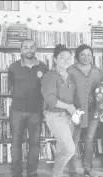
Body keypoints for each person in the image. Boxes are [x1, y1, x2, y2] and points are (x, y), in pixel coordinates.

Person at [8, 39, 49, 177]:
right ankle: (16, 172)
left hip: (36, 112)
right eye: (25, 47)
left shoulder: (43, 67)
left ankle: (32, 172)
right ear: (21, 50)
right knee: (15, 142)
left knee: (35, 143)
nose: (29, 50)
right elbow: (11, 87)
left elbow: (46, 89)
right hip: (17, 111)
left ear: (35, 49)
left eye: (32, 47)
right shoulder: (13, 67)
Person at [67, 44, 103, 177]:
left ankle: (88, 168)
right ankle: (72, 169)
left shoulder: (98, 71)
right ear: (77, 56)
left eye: (89, 54)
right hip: (75, 111)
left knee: (89, 139)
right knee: (73, 140)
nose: (86, 57)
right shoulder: (70, 70)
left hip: (93, 111)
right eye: (82, 54)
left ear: (92, 56)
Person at [41, 44, 78, 177]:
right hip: (55, 116)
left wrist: (75, 112)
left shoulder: (71, 76)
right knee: (69, 150)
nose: (66, 60)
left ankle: (57, 174)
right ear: (55, 59)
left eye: (69, 58)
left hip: (69, 117)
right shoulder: (50, 76)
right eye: (62, 57)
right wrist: (68, 106)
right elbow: (50, 99)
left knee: (62, 148)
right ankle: (57, 173)